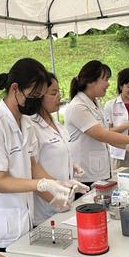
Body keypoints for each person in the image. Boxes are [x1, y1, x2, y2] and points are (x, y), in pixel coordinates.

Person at [0, 58, 87, 251]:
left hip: (22, 217)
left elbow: (32, 166)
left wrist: (59, 184)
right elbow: (0, 181)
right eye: (32, 95)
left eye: (39, 96)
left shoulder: (26, 123)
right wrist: (42, 184)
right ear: (14, 88)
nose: (35, 102)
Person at [64, 61, 129, 185]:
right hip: (85, 174)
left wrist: (125, 146)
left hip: (99, 171)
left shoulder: (95, 104)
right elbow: (101, 134)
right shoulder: (78, 106)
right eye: (106, 79)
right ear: (91, 81)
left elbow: (105, 134)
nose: (108, 84)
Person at [30, 73, 84, 224]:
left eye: (59, 92)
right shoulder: (32, 127)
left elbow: (57, 154)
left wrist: (72, 166)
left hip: (66, 200)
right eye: (53, 93)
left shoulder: (56, 122)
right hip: (47, 206)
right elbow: (32, 170)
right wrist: (54, 198)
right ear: (38, 95)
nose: (59, 96)